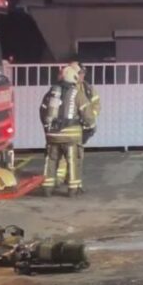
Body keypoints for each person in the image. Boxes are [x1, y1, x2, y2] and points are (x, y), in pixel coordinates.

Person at [40, 63, 93, 197]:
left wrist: (47, 128)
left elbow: (42, 111)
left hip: (52, 134)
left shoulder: (51, 93)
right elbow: (87, 113)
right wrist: (90, 125)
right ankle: (73, 189)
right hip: (71, 136)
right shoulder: (77, 93)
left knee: (51, 160)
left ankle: (47, 187)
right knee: (73, 160)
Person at [55, 62, 101, 186]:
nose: (82, 76)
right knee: (65, 153)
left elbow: (96, 106)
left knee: (78, 154)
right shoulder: (66, 89)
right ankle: (60, 178)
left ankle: (71, 178)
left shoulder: (88, 89)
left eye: (83, 73)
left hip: (82, 127)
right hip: (68, 126)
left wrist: (89, 119)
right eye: (80, 73)